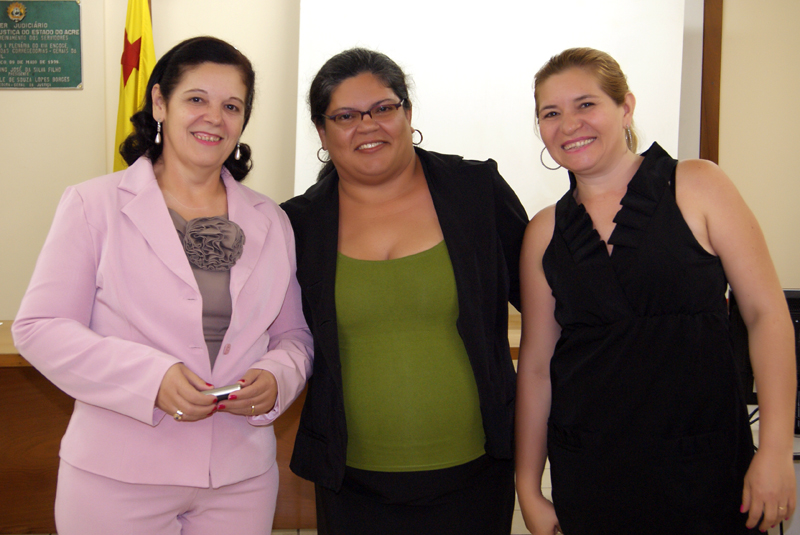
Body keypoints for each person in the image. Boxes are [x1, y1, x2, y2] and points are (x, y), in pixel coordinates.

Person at [12, 36, 312, 535]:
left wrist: (278, 377)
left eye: (231, 106)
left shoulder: (272, 219)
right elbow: (39, 327)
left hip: (240, 479)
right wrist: (151, 379)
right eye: (196, 99)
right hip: (118, 477)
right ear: (159, 102)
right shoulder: (93, 204)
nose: (214, 118)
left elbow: (294, 337)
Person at [515, 47, 797, 535]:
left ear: (625, 107)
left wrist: (774, 451)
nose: (569, 124)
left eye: (586, 104)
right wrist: (528, 485)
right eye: (551, 113)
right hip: (592, 475)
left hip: (707, 470)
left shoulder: (698, 185)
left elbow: (766, 315)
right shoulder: (543, 232)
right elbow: (538, 368)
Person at [280, 48, 528, 535]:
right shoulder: (298, 224)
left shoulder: (475, 191)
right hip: (351, 486)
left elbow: (550, 307)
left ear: (408, 113)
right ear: (322, 132)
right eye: (345, 116)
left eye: (383, 108)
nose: (367, 125)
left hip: (477, 475)